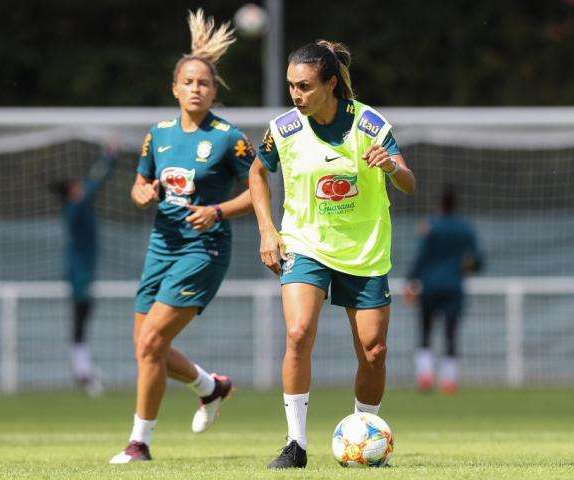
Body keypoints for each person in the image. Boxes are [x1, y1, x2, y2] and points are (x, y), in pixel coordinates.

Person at [248, 40, 416, 469]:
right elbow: (256, 172)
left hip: (364, 250)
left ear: (330, 83)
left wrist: (392, 166)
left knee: (374, 350)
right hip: (305, 243)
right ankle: (295, 444)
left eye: (303, 86)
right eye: (290, 86)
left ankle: (366, 433)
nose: (295, 95)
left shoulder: (370, 123)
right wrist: (268, 230)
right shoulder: (283, 128)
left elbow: (409, 182)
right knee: (299, 332)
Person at [109, 9, 256, 464]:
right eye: (188, 82)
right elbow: (139, 187)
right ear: (174, 88)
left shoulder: (229, 138)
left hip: (203, 250)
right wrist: (143, 192)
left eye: (204, 83)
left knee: (151, 342)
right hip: (161, 247)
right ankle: (212, 388)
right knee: (146, 346)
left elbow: (260, 191)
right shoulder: (158, 136)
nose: (196, 88)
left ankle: (139, 443)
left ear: (214, 91)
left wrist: (217, 210)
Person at [50, 145, 117, 396]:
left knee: (82, 319)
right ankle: (81, 371)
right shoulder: (77, 207)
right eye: (77, 185)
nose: (82, 187)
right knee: (81, 319)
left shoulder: (76, 207)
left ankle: (82, 368)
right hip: (79, 274)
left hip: (81, 271)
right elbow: (95, 182)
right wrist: (109, 157)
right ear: (71, 192)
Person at [404, 186, 483, 394]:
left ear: (440, 204)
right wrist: (466, 267)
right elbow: (477, 261)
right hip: (453, 287)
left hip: (429, 286)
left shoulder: (430, 225)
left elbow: (420, 257)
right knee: (451, 333)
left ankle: (425, 375)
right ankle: (449, 380)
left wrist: (411, 281)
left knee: (425, 331)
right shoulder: (465, 228)